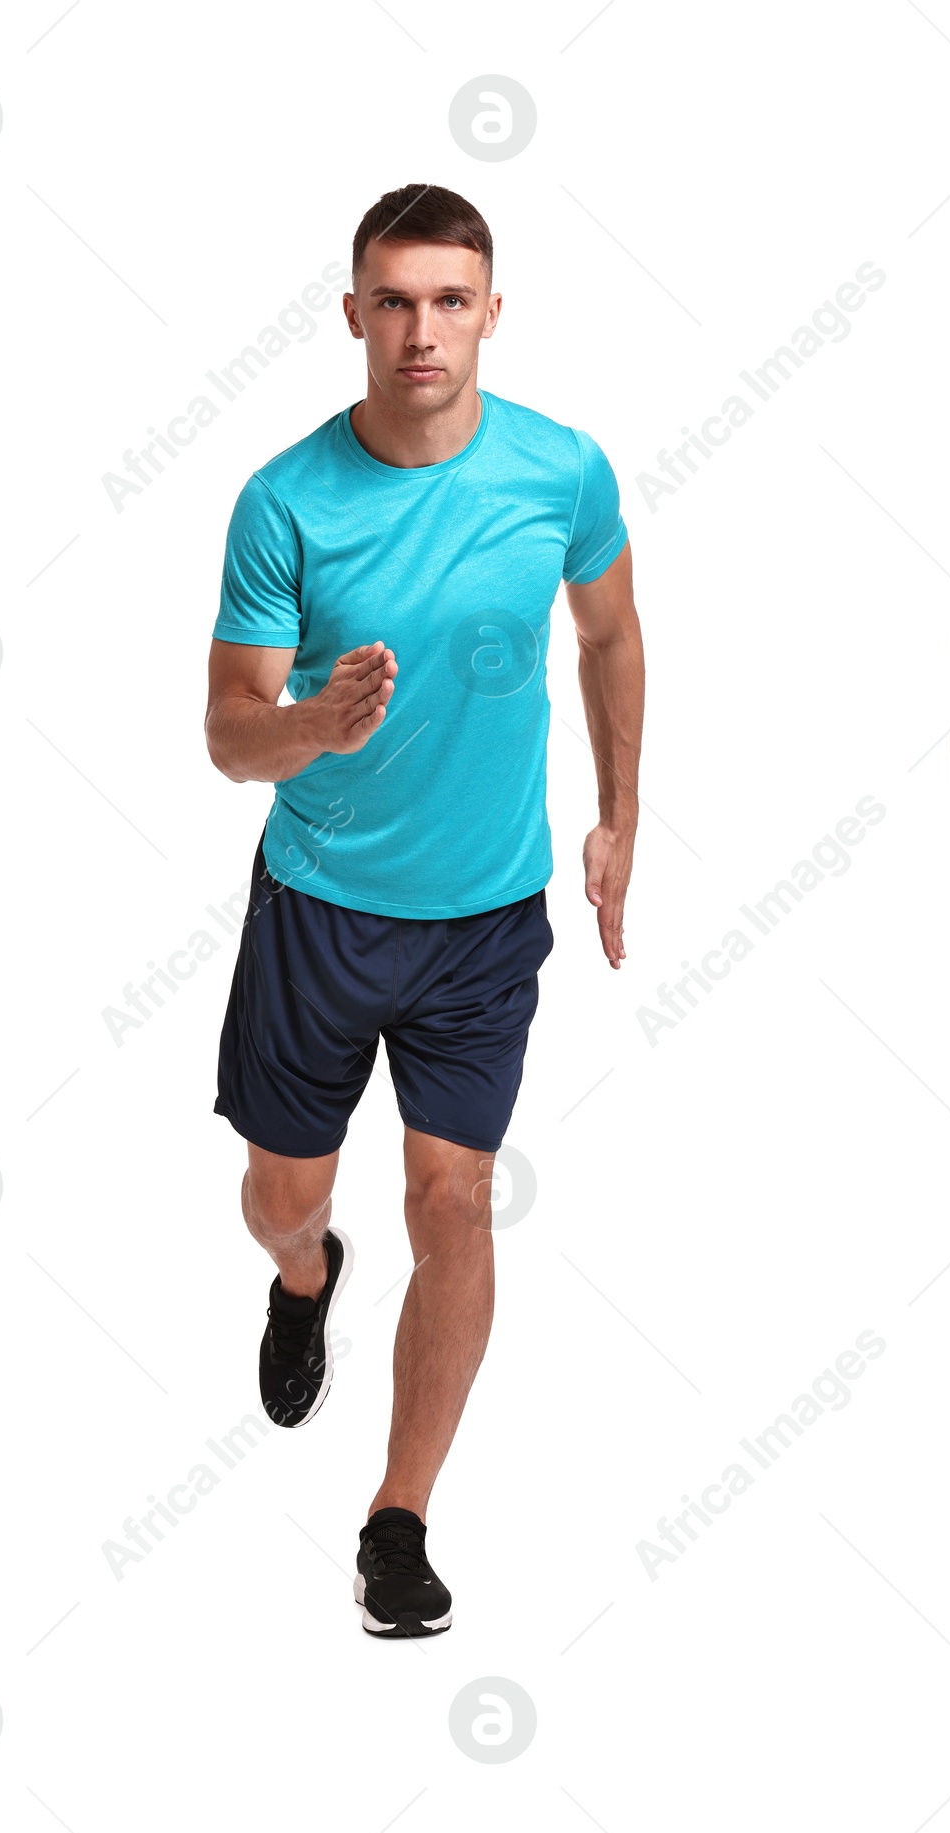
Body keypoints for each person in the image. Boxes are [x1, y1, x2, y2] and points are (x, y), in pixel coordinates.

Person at [204, 183, 644, 1638]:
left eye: (450, 300)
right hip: (321, 910)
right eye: (393, 301)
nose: (421, 331)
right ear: (353, 315)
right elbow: (226, 730)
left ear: (492, 314)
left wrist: (618, 815)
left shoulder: (563, 471)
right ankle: (303, 1276)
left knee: (456, 1194)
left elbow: (610, 627)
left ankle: (398, 1520)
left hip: (484, 919)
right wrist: (314, 727)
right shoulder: (287, 500)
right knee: (287, 1196)